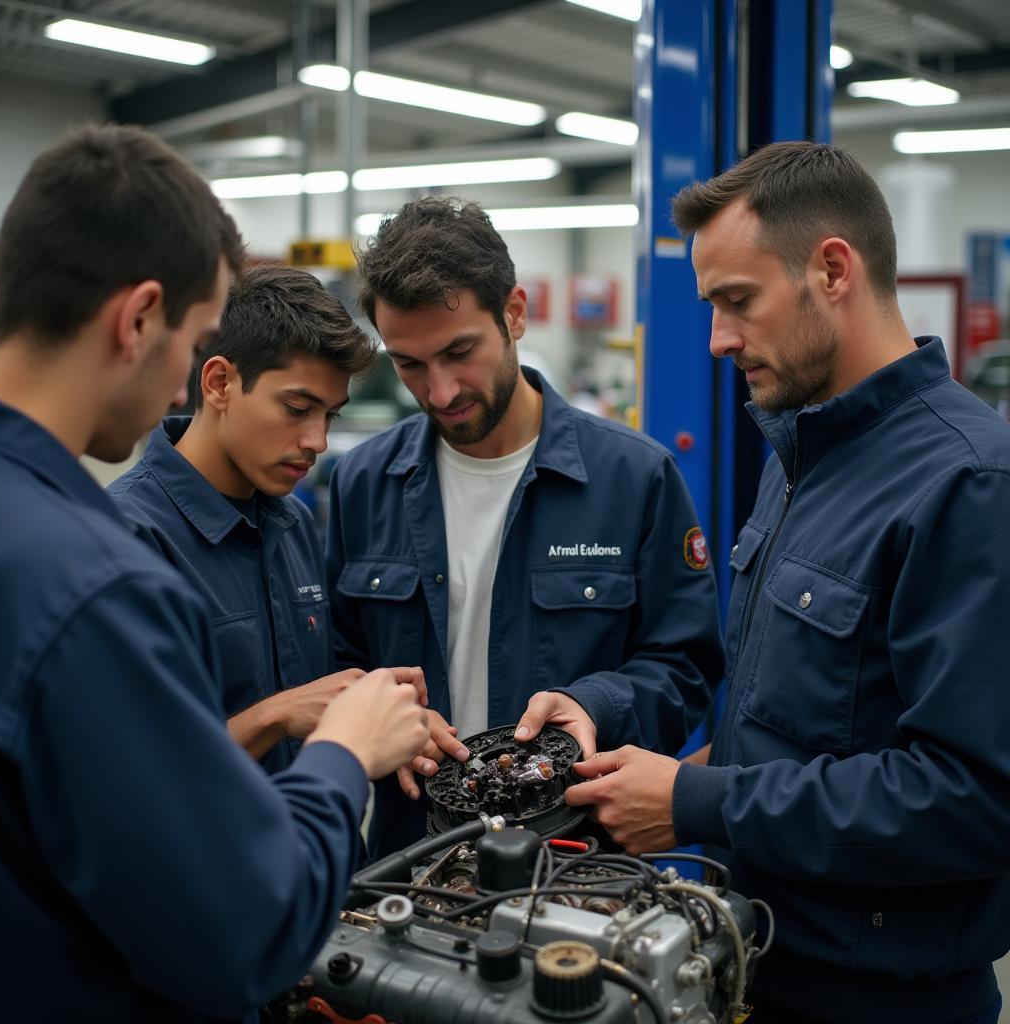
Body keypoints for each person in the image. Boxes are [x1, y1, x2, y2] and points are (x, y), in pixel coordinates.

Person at [0, 123, 428, 1023]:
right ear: (139, 319)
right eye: (191, 343)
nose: (181, 380)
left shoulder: (25, 528)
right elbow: (242, 925)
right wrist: (344, 752)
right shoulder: (98, 578)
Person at [566, 141, 1010, 1024]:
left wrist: (697, 801)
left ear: (833, 269)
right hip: (755, 959)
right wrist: (651, 778)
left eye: (738, 301)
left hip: (883, 999)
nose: (719, 338)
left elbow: (974, 798)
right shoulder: (799, 453)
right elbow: (811, 730)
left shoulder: (969, 483)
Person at [326, 196, 723, 856]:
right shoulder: (362, 484)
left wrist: (593, 705)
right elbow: (339, 664)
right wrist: (381, 716)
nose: (442, 392)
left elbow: (685, 668)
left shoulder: (634, 478)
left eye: (460, 351)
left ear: (514, 313)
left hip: (577, 858)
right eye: (410, 364)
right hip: (411, 859)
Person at [109, 264, 426, 771]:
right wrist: (275, 717)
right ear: (218, 384)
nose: (317, 442)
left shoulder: (293, 526)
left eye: (330, 415)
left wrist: (372, 711)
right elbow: (124, 766)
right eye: (297, 408)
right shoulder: (127, 540)